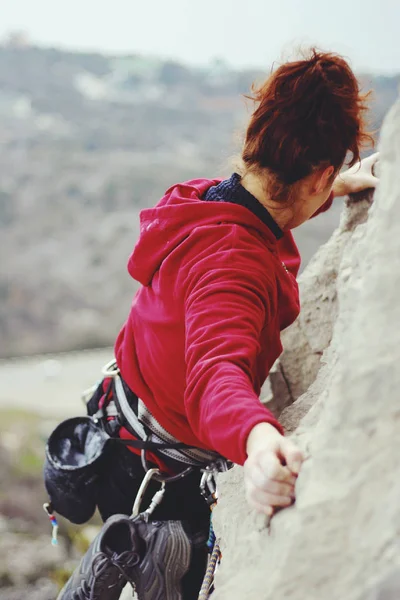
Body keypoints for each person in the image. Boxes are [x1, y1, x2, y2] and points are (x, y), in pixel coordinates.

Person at [55, 48, 378, 600]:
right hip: (159, 480)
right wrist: (257, 441)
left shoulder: (202, 201)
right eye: (326, 180)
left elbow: (275, 202)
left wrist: (333, 188)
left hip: (121, 434)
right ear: (318, 173)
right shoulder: (235, 264)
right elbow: (214, 374)